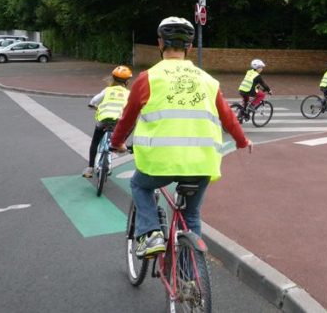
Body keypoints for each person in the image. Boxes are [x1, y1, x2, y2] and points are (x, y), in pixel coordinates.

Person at [110, 16, 252, 258]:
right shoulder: (208, 80)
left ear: (159, 43)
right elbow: (227, 115)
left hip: (159, 164)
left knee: (138, 186)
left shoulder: (148, 78)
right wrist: (242, 141)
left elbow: (127, 118)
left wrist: (117, 143)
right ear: (189, 48)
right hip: (201, 163)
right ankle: (189, 281)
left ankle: (151, 233)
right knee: (192, 216)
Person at [82, 65, 133, 178]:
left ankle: (90, 168)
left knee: (95, 142)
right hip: (119, 122)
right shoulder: (128, 93)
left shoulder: (107, 90)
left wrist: (93, 106)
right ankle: (119, 144)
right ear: (127, 82)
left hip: (104, 120)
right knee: (132, 123)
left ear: (113, 79)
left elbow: (94, 101)